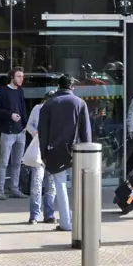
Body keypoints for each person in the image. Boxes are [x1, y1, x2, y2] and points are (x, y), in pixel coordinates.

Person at [37, 75, 93, 233]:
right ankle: (84, 220)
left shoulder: (49, 104)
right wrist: (87, 151)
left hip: (55, 150)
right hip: (77, 150)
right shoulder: (80, 103)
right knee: (80, 186)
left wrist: (43, 153)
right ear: (72, 87)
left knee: (60, 186)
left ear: (58, 86)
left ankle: (66, 223)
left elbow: (43, 132)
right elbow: (86, 131)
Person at [0, 66, 28, 200]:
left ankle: (15, 188)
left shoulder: (20, 91)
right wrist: (9, 115)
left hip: (20, 132)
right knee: (4, 162)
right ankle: (0, 190)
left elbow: (23, 108)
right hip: (8, 132)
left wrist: (25, 125)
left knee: (17, 163)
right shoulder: (3, 91)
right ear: (12, 77)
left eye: (22, 77)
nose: (21, 79)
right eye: (19, 76)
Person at [25, 91, 57, 225]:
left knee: (51, 185)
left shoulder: (57, 110)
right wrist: (35, 133)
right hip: (39, 149)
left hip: (52, 150)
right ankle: (34, 215)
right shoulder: (38, 109)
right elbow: (29, 125)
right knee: (37, 184)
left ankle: (49, 214)